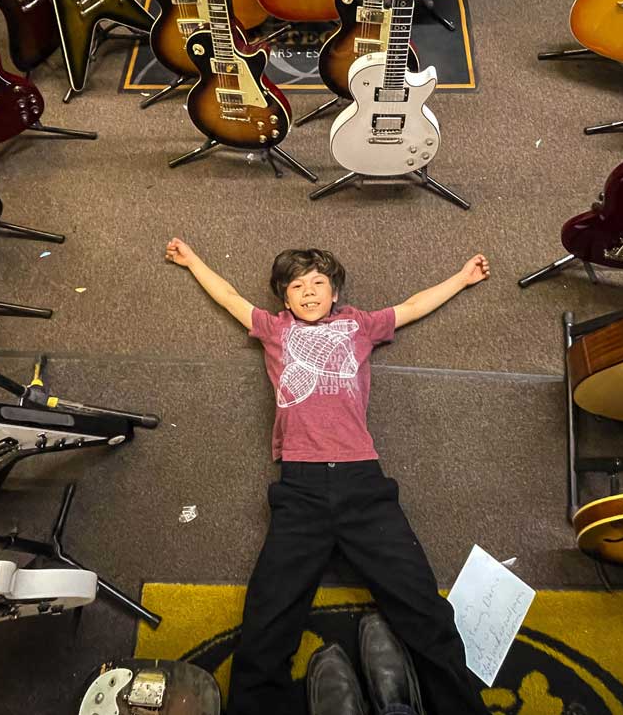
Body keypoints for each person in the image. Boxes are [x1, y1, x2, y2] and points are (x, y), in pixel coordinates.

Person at [165, 239, 491, 715]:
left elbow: (412, 305)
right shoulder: (276, 330)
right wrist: (195, 261)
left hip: (364, 485)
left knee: (424, 610)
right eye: (297, 287)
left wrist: (461, 279)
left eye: (318, 283)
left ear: (335, 292)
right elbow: (231, 298)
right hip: (300, 490)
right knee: (267, 619)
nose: (309, 292)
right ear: (285, 300)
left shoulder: (359, 325)